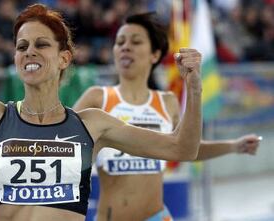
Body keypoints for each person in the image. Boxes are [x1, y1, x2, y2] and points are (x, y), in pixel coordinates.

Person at [0, 4, 203, 221]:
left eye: (41, 44)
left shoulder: (92, 124)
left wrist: (194, 88)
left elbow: (182, 149)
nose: (29, 52)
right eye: (22, 47)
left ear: (64, 58)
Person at [73, 13, 261, 221]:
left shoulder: (167, 102)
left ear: (155, 55)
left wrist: (234, 145)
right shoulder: (97, 98)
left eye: (135, 41)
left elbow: (187, 148)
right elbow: (60, 143)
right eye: (120, 42)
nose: (125, 47)